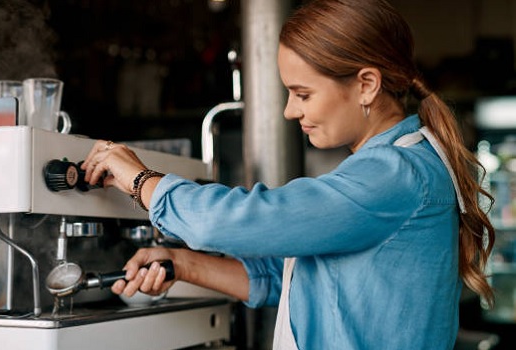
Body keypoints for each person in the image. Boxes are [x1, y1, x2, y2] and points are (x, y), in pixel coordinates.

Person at [81, 0, 495, 348]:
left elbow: (243, 219)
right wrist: (180, 263)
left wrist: (140, 181)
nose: (290, 111)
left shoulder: (393, 175)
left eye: (303, 94)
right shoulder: (398, 166)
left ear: (367, 85)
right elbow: (299, 279)